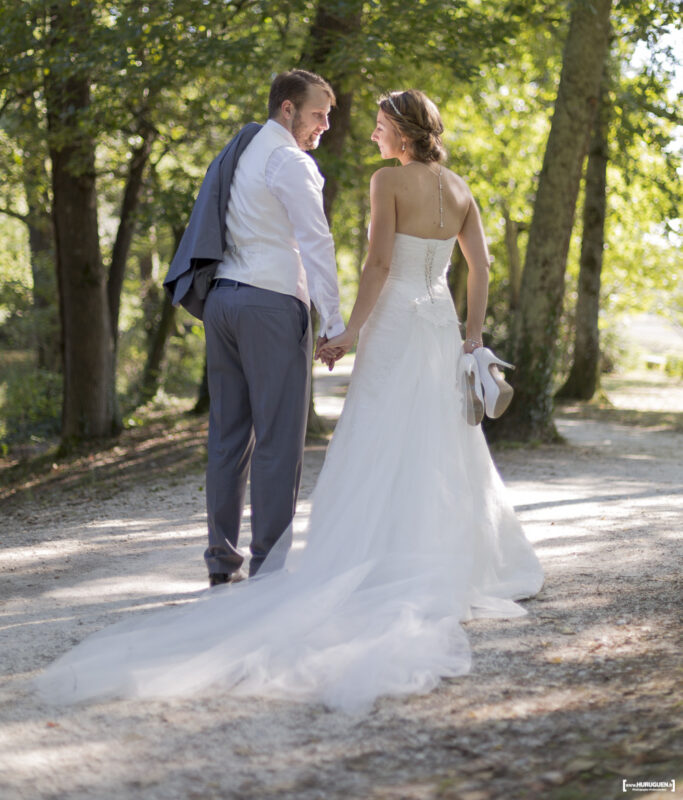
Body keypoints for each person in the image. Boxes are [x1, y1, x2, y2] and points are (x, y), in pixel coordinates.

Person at [36, 89, 543, 712]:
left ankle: (357, 557)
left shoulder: (389, 183)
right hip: (440, 324)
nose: (372, 136)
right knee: (439, 438)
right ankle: (450, 558)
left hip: (392, 323)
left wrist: (349, 330)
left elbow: (380, 263)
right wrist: (473, 335)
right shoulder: (460, 188)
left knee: (381, 431)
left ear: (405, 136)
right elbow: (483, 266)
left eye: (381, 127)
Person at [165, 69, 345, 585]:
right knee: (278, 440)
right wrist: (332, 321)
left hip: (222, 301)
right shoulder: (290, 161)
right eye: (317, 114)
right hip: (269, 304)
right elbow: (316, 242)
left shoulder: (242, 149)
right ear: (287, 109)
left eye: (328, 116)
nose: (324, 126)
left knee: (227, 437)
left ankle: (221, 563)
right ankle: (271, 566)